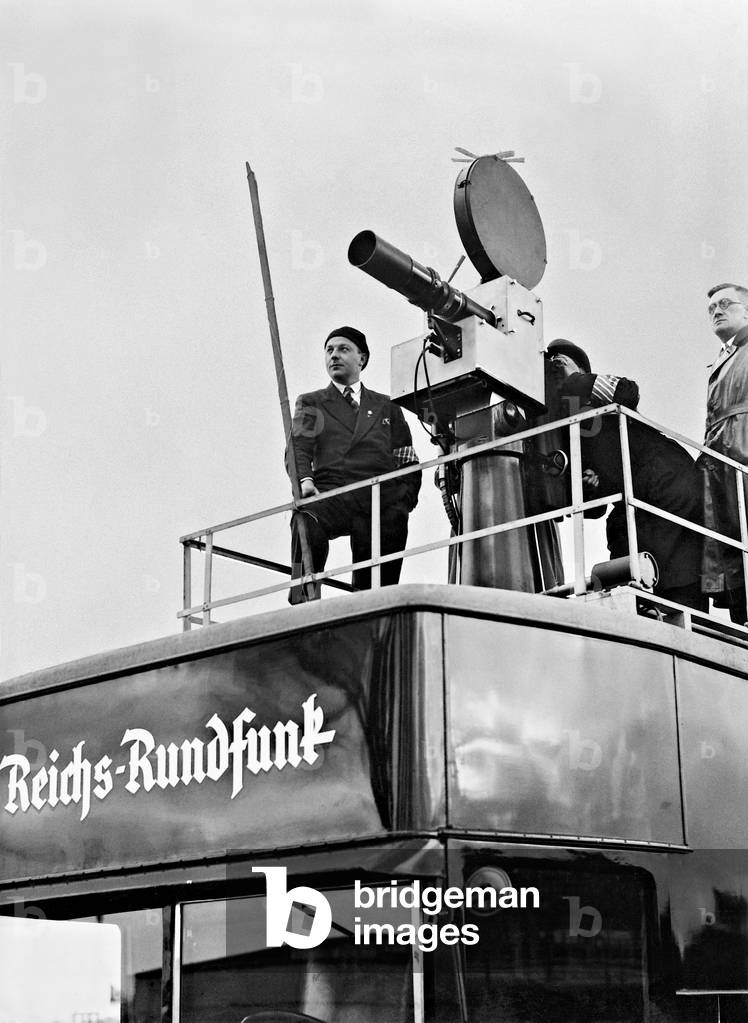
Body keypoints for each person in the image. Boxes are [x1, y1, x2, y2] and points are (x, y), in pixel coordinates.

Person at [547, 339, 705, 610]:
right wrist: (590, 486)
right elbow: (593, 507)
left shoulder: (592, 392)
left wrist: (575, 380)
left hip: (666, 478)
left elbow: (627, 392)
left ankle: (678, 618)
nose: (553, 367)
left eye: (559, 362)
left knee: (677, 566)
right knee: (625, 549)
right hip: (633, 497)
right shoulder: (559, 425)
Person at [287, 326, 421, 603]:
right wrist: (305, 482)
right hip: (333, 491)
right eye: (329, 350)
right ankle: (303, 598)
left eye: (343, 349)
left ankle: (372, 604)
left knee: (390, 528)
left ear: (362, 358)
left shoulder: (387, 407)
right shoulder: (313, 403)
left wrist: (402, 498)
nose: (334, 355)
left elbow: (407, 458)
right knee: (306, 517)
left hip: (378, 494)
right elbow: (298, 447)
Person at [698, 283, 748, 624]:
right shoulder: (725, 358)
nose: (716, 310)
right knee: (731, 541)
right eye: (712, 307)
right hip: (722, 457)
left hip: (742, 446)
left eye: (726, 303)